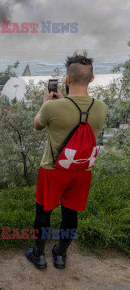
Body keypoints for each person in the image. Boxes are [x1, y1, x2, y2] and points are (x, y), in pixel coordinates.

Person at [26, 52, 107, 270]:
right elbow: (78, 116)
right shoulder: (101, 108)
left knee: (43, 213)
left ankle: (38, 254)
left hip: (53, 169)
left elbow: (38, 125)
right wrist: (65, 102)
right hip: (81, 170)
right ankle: (60, 254)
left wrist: (46, 103)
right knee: (70, 214)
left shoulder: (52, 107)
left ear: (67, 79)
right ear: (92, 79)